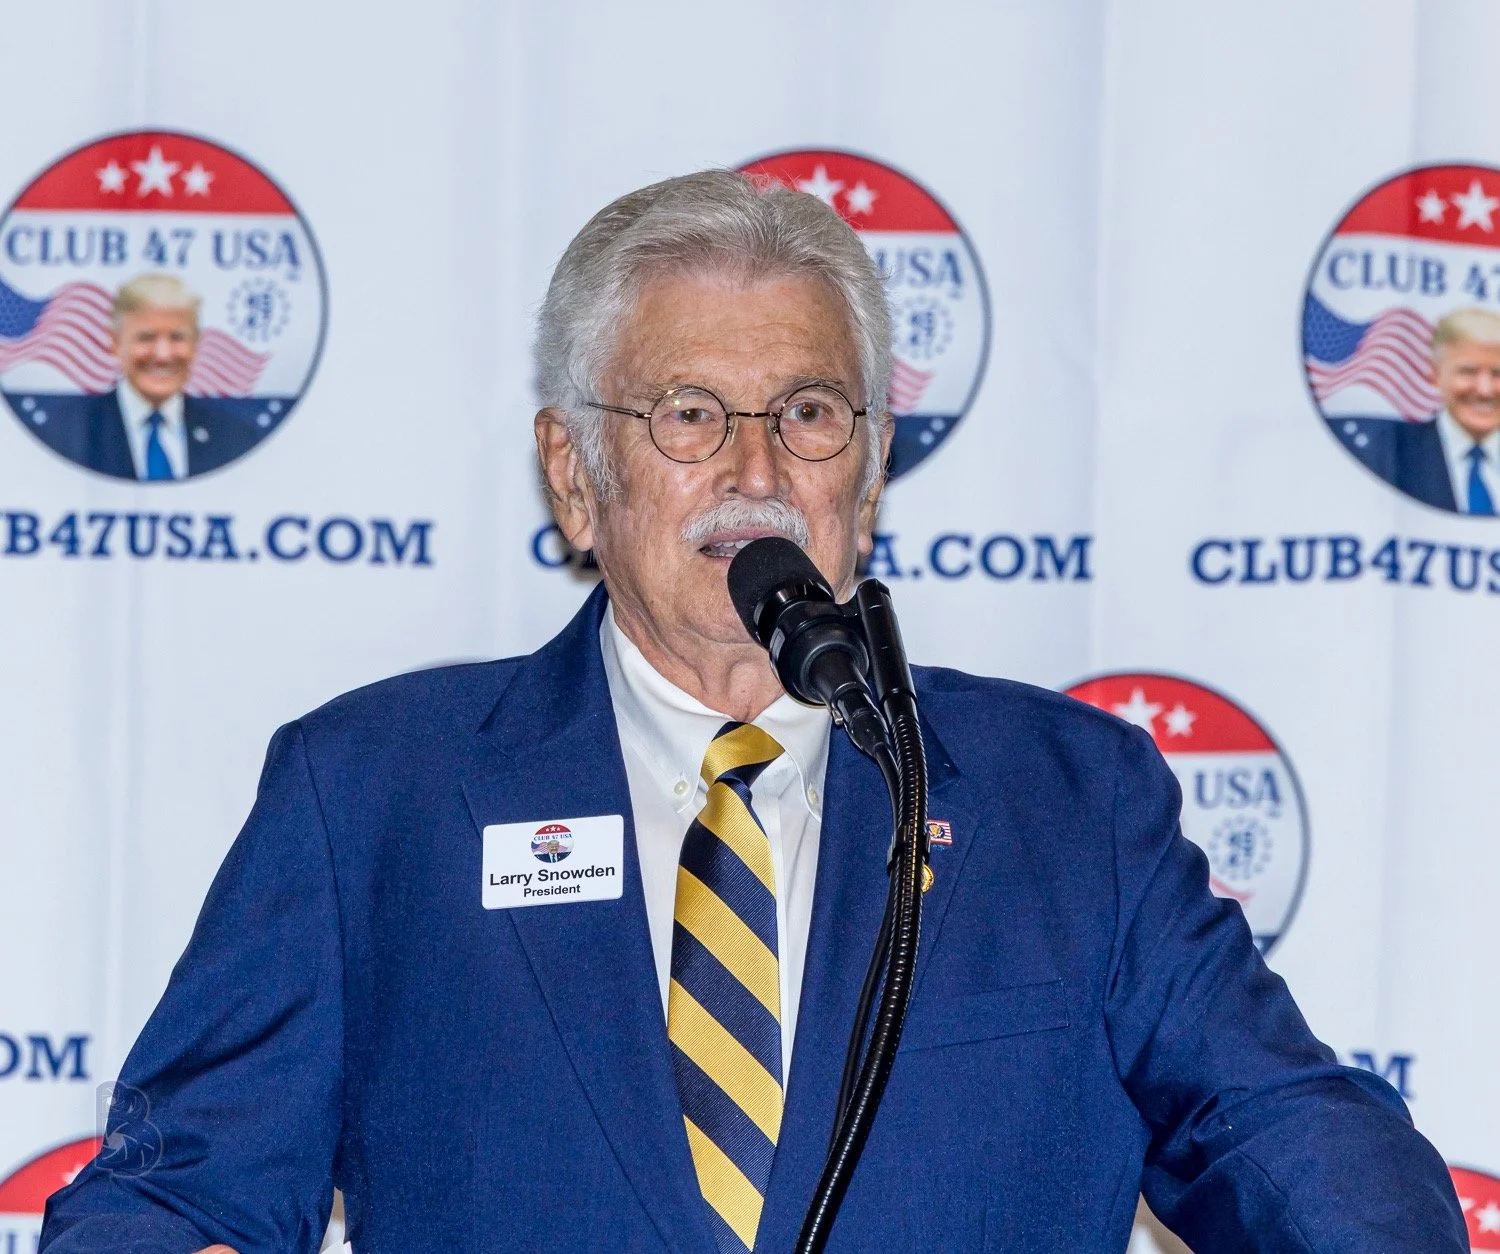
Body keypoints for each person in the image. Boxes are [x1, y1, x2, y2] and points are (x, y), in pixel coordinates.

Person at [41, 172, 1465, 1253]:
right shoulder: (371, 797)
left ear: (871, 469)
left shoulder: (1069, 802)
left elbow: (1282, 1136)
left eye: (809, 413)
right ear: (575, 475)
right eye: (687, 414)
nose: (757, 469)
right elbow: (174, 1193)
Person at [27, 273, 260, 481]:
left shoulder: (234, 438)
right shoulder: (67, 433)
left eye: (177, 338)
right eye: (146, 338)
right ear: (115, 342)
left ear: (196, 343)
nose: (163, 355)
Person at [1339, 306, 1500, 513]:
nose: (1485, 390)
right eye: (1468, 372)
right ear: (1435, 373)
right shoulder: (1387, 455)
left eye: (1497, 373)